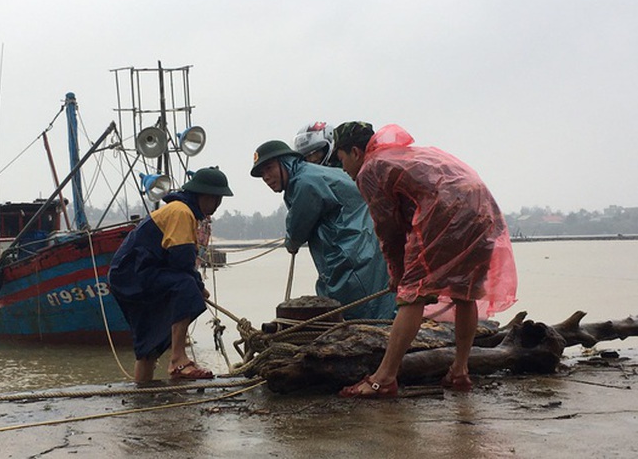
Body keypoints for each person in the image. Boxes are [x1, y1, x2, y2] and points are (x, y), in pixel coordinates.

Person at [333, 122, 518, 398]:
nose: (343, 168)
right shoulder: (402, 155)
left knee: (412, 295)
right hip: (480, 207)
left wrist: (397, 272)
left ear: (356, 152)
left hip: (444, 211)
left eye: (342, 159)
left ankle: (384, 378)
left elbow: (388, 228)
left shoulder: (370, 168)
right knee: (465, 291)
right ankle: (460, 371)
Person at [107, 167, 233, 383]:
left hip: (128, 277)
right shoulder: (181, 212)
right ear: (208, 196)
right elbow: (182, 261)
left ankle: (143, 390)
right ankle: (178, 359)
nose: (217, 205)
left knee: (149, 345)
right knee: (185, 286)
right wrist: (199, 286)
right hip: (134, 275)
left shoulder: (180, 211)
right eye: (218, 199)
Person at [250, 140, 396, 320]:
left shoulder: (304, 182)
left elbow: (297, 231)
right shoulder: (315, 173)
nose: (266, 177)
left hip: (353, 255)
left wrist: (291, 242)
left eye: (269, 168)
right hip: (366, 248)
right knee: (375, 308)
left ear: (286, 162)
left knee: (357, 313)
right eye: (262, 173)